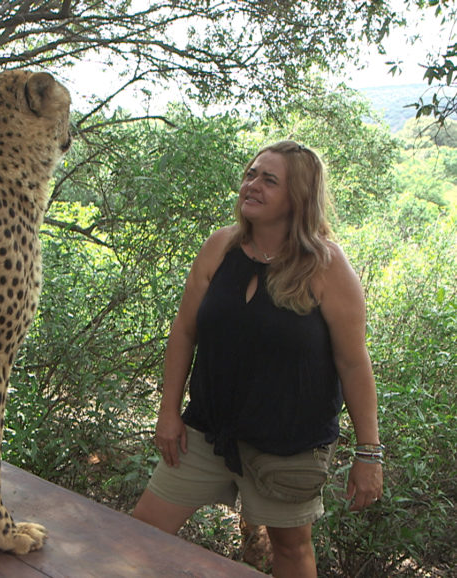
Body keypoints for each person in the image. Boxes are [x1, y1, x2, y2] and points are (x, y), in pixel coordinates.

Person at [132, 141, 383, 577]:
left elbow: (353, 363)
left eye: (269, 180)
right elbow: (184, 331)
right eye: (251, 175)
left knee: (290, 550)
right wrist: (168, 412)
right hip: (207, 433)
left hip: (288, 447)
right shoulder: (220, 247)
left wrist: (369, 454)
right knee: (140, 533)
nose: (252, 185)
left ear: (298, 197)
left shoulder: (326, 265)